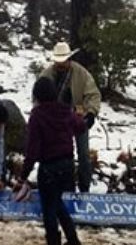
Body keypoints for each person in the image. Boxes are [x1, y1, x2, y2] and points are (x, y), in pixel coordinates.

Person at [18, 77, 85, 245]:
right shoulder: (66, 110)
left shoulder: (37, 115)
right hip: (68, 164)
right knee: (57, 202)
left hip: (49, 167)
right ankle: (72, 238)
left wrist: (23, 176)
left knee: (48, 208)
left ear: (37, 95)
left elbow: (32, 151)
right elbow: (80, 126)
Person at [40, 42, 102, 193]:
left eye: (63, 61)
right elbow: (38, 98)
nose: (60, 64)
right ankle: (59, 185)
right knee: (57, 154)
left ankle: (84, 187)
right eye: (58, 61)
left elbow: (93, 94)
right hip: (54, 121)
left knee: (84, 155)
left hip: (77, 117)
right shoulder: (46, 75)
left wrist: (91, 113)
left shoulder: (82, 73)